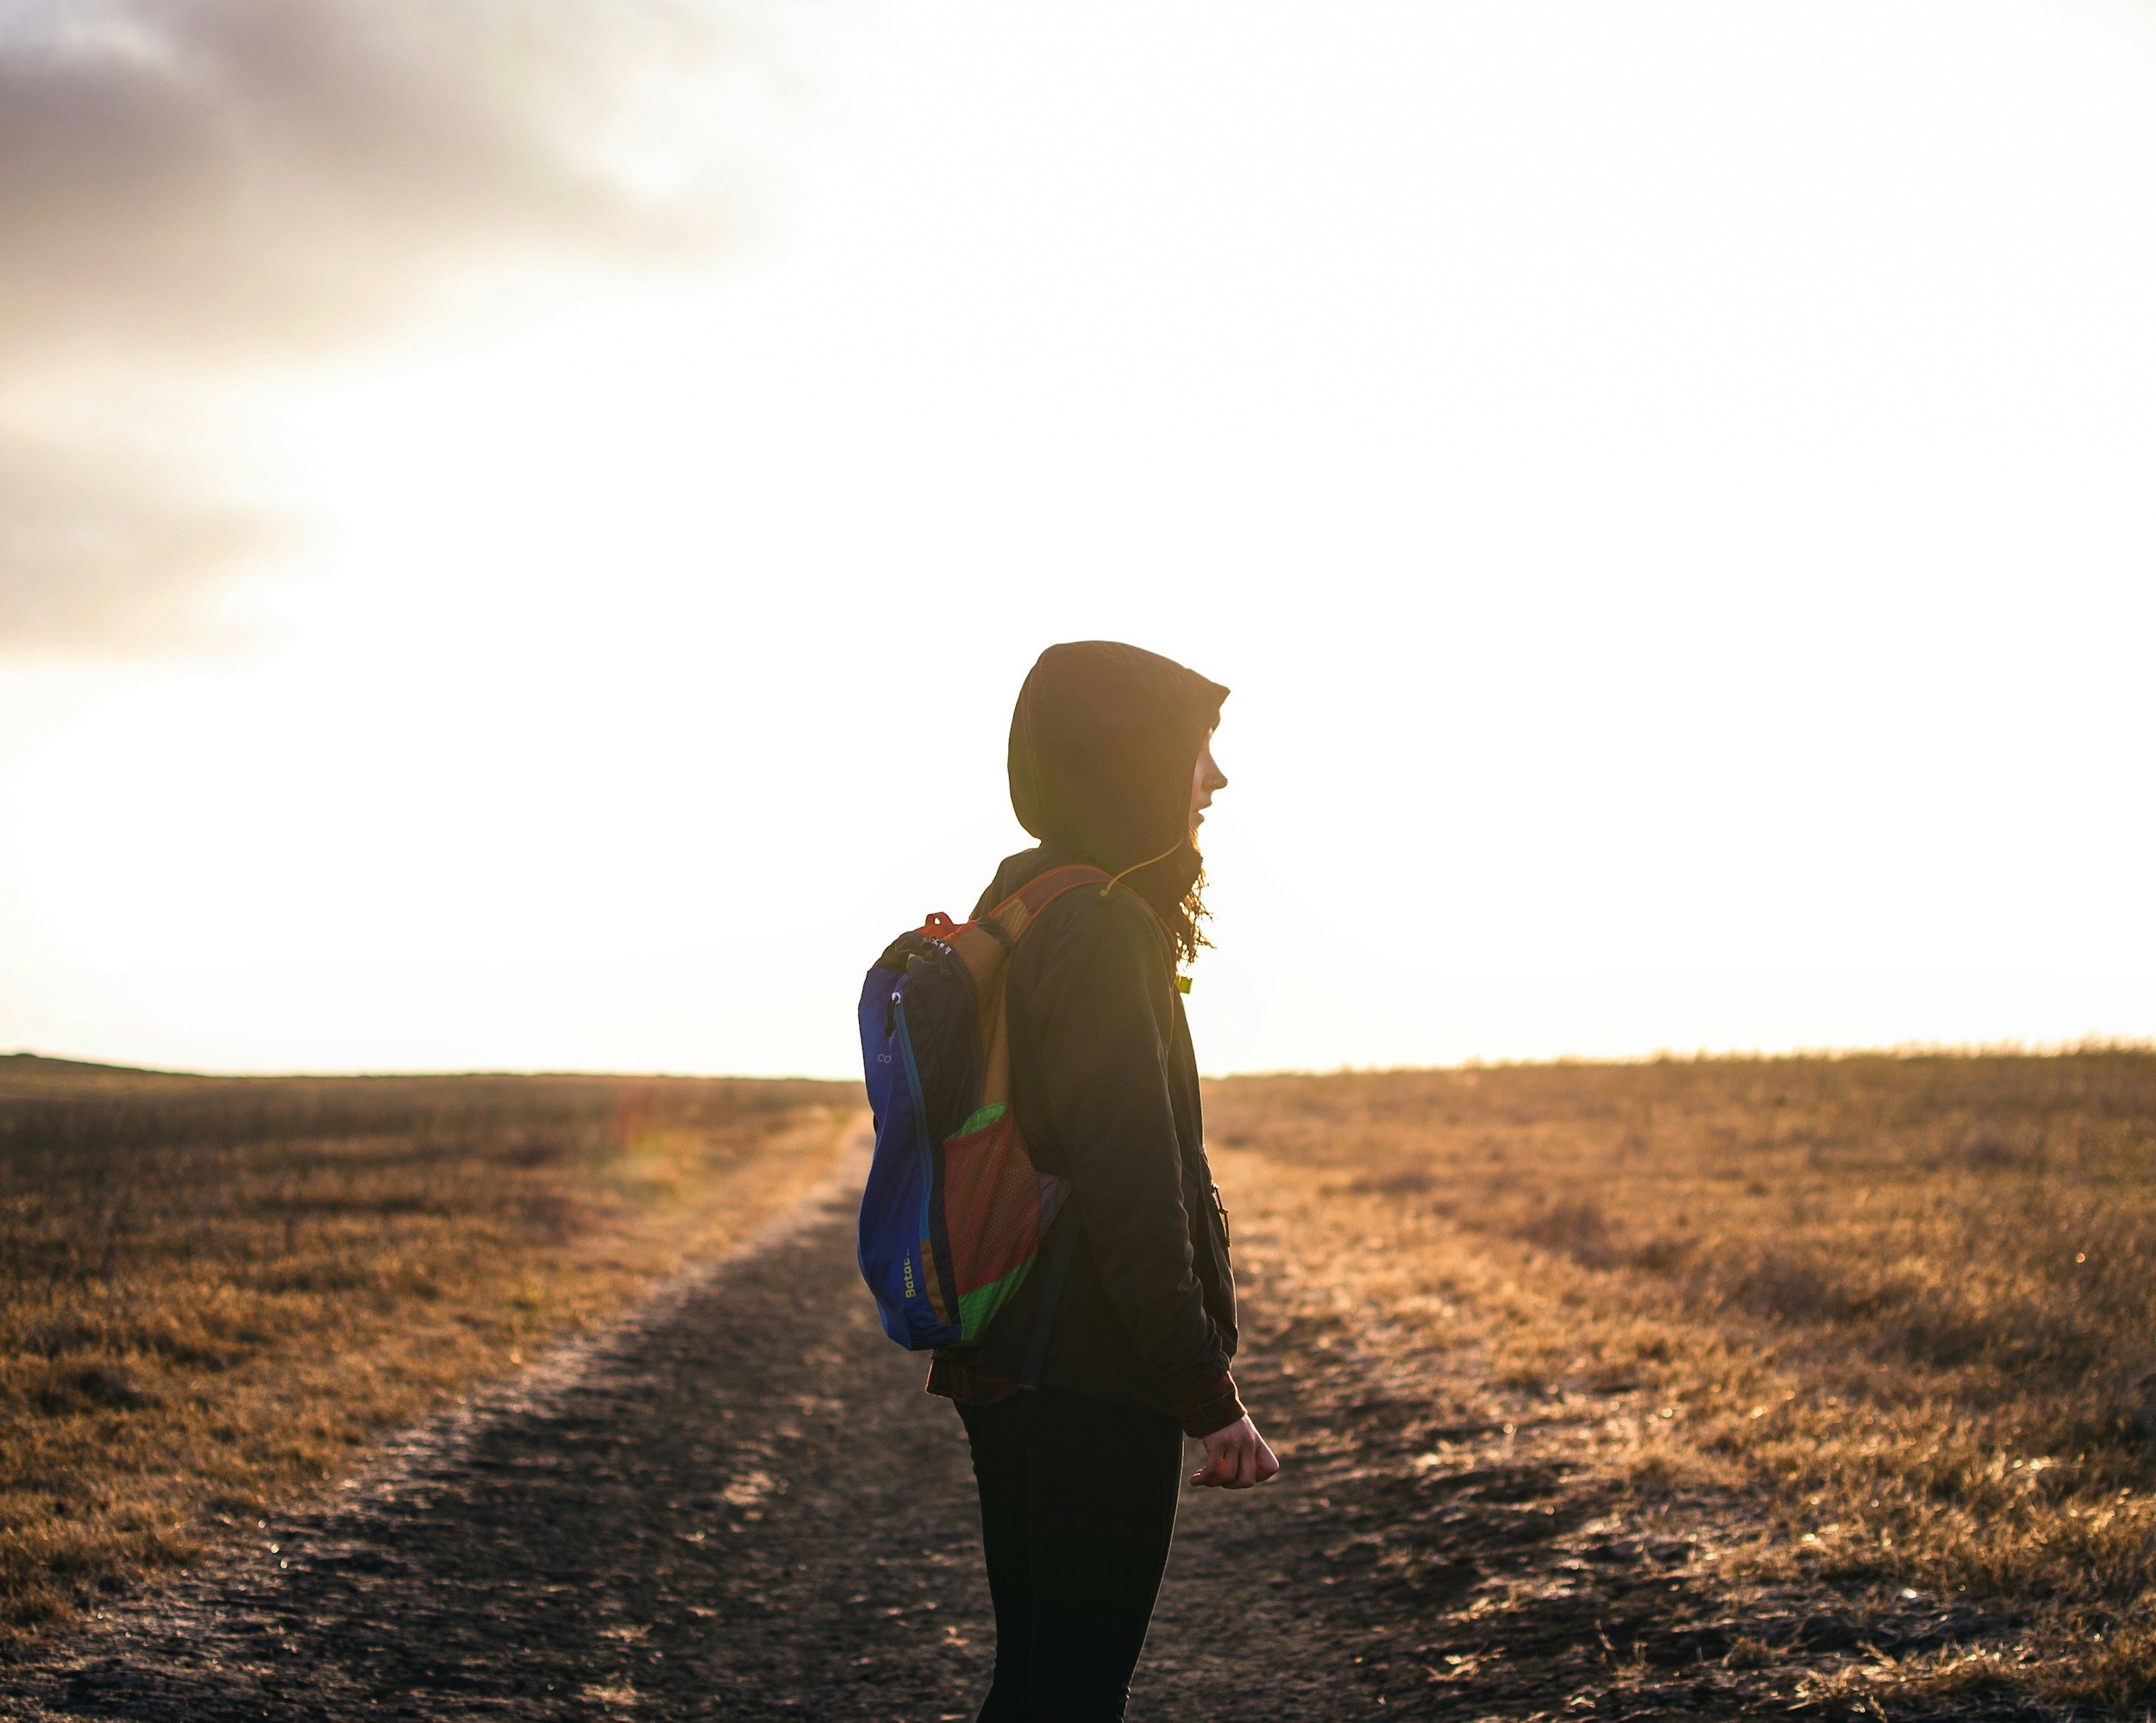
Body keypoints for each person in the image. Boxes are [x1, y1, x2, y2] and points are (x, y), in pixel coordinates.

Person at [928, 640, 1281, 1723]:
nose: (1214, 780)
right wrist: (1205, 1398)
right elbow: (1137, 1187)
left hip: (1011, 1354)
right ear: (1129, 759)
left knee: (1035, 1684)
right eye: (1195, 751)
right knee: (1071, 1696)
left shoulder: (1026, 899)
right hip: (1087, 1371)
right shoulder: (1100, 931)